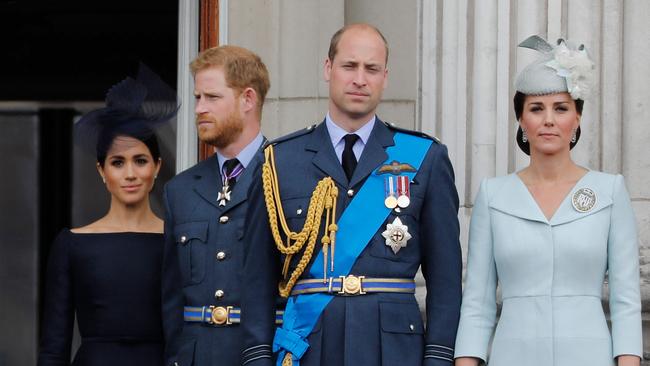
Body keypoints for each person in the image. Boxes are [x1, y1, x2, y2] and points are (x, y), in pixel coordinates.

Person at [240, 23, 462, 366]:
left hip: (393, 352)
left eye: (371, 69)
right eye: (349, 66)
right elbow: (256, 279)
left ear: (385, 77)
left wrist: (438, 357)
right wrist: (257, 358)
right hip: (308, 348)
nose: (360, 79)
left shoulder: (424, 158)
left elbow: (445, 278)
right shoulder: (280, 161)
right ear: (328, 69)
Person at [454, 35, 642, 366]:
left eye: (561, 108)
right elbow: (477, 301)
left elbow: (626, 299)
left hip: (591, 357)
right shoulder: (493, 195)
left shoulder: (609, 191)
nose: (549, 120)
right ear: (522, 121)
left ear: (577, 118)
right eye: (536, 109)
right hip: (512, 356)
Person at [37, 65, 177, 366]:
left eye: (140, 160)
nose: (130, 174)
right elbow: (53, 347)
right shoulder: (72, 245)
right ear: (102, 171)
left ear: (156, 166)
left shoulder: (175, 240)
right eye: (117, 162)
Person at [161, 45, 272, 366]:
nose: (199, 108)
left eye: (211, 97)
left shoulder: (287, 178)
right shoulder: (179, 190)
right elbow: (172, 301)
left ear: (248, 99)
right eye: (197, 98)